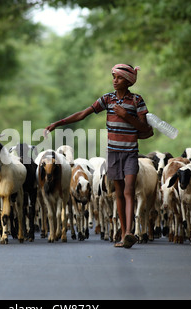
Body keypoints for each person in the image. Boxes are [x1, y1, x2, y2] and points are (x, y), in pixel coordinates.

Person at [44, 64, 153, 249]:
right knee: (118, 193)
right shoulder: (107, 99)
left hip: (130, 153)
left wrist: (126, 115)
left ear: (127, 81)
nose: (114, 80)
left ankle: (128, 233)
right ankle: (123, 233)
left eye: (118, 77)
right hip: (113, 153)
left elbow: (145, 128)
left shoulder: (137, 100)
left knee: (128, 191)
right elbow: (83, 114)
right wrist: (58, 123)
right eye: (113, 77)